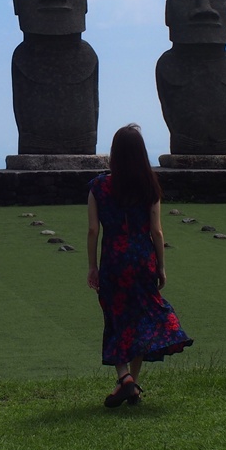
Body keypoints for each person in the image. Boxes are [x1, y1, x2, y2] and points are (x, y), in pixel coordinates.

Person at [86, 124, 193, 408]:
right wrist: (161, 266)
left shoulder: (99, 186)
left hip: (113, 260)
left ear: (114, 153)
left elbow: (93, 231)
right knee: (141, 319)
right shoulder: (150, 184)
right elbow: (157, 232)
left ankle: (125, 380)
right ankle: (131, 381)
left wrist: (92, 266)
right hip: (143, 258)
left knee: (116, 319)